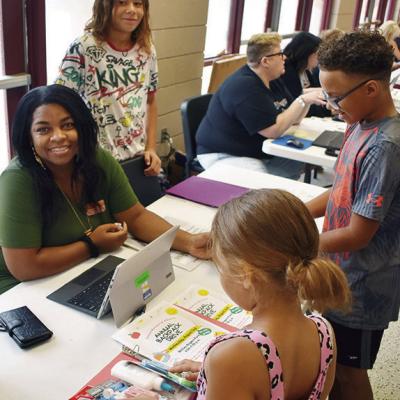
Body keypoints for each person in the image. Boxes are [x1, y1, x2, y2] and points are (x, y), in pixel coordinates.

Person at [0, 85, 209, 295]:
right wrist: (91, 245)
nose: (58, 136)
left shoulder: (96, 159)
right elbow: (24, 267)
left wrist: (189, 242)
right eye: (43, 129)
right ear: (29, 137)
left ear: (81, 127)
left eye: (68, 125)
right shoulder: (18, 179)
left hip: (85, 270)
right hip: (22, 289)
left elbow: (135, 216)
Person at [170, 189, 351, 399]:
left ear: (246, 275)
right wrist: (213, 374)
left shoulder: (231, 356)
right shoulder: (324, 332)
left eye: (221, 267)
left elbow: (248, 368)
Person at [306, 31, 400, 400]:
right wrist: (296, 212)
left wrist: (297, 243)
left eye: (335, 95)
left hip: (363, 285)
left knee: (349, 372)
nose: (330, 103)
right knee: (331, 364)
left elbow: (359, 234)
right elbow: (342, 189)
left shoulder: (385, 145)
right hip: (340, 274)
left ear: (372, 89)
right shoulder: (358, 122)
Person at [196, 32, 326, 180]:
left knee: (297, 160)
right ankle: (269, 195)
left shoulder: (272, 78)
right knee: (262, 184)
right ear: (266, 61)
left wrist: (306, 101)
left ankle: (275, 195)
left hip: (253, 150)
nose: (284, 58)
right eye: (280, 54)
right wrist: (301, 100)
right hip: (223, 154)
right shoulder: (244, 86)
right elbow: (273, 131)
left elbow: (293, 119)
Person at [56, 0, 161, 176]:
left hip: (137, 157)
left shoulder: (147, 49)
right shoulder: (83, 47)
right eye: (122, 3)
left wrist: (151, 147)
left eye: (137, 4)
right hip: (95, 160)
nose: (132, 10)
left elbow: (151, 101)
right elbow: (58, 105)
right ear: (105, 7)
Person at [280, 31, 329, 117]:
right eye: (317, 54)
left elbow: (312, 98)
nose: (319, 58)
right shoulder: (287, 70)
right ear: (306, 53)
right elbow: (296, 104)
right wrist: (329, 110)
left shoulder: (305, 69)